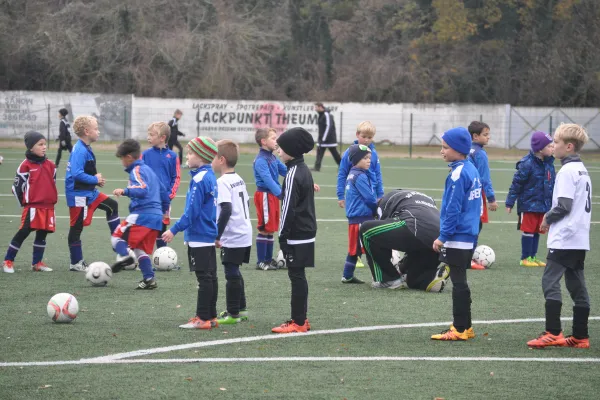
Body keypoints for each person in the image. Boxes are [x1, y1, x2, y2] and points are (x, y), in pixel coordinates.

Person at [527, 124, 591, 349]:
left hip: (565, 236)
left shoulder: (566, 171)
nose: (553, 146)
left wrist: (546, 219)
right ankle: (581, 336)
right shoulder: (582, 169)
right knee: (576, 285)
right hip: (579, 237)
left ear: (569, 146)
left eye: (556, 142)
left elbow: (564, 205)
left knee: (549, 281)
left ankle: (553, 332)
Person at [161, 137, 219, 330]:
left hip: (199, 235)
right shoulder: (210, 176)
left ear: (202, 156)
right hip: (208, 234)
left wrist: (173, 230)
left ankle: (202, 318)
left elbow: (191, 212)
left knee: (204, 278)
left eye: (191, 153)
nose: (187, 156)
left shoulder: (200, 179)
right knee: (210, 276)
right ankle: (210, 316)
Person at [431, 127, 481, 341]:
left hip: (458, 236)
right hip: (468, 234)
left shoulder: (459, 173)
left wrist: (443, 236)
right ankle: (465, 326)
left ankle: (460, 328)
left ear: (459, 149)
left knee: (458, 281)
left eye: (445, 147)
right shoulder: (470, 168)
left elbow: (453, 209)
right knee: (461, 279)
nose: (442, 151)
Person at [272, 127, 317, 334]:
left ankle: (298, 322)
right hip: (306, 230)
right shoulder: (303, 169)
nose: (278, 150)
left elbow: (287, 207)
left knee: (296, 275)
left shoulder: (292, 174)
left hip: (297, 233)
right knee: (298, 275)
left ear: (292, 149)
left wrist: (282, 236)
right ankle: (301, 318)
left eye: (281, 147)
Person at [360, 189, 450, 292]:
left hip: (416, 227)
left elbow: (381, 236)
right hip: (438, 240)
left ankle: (388, 279)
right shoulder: (424, 198)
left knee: (366, 231)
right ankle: (432, 277)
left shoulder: (385, 202)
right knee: (413, 279)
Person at [110, 139, 170, 289]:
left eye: (122, 158)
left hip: (142, 214)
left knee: (116, 237)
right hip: (155, 217)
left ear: (129, 157)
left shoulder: (136, 170)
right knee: (139, 249)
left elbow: (142, 190)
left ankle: (125, 257)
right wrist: (162, 212)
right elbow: (164, 194)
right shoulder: (150, 171)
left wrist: (125, 191)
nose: (122, 162)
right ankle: (149, 278)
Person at [65, 116, 120, 272]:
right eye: (96, 128)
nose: (99, 131)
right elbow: (76, 173)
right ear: (87, 131)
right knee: (76, 227)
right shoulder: (80, 150)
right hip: (78, 194)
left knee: (112, 206)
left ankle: (118, 245)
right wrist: (94, 179)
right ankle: (76, 262)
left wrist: (95, 181)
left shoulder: (85, 147)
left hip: (89, 191)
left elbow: (84, 172)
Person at [3, 131, 57, 273]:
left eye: (45, 144)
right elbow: (16, 188)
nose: (44, 147)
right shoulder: (25, 166)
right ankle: (8, 260)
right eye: (40, 144)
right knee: (23, 232)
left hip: (48, 206)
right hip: (33, 207)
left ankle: (37, 263)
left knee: (43, 234)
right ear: (31, 147)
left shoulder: (51, 165)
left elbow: (53, 183)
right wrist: (25, 203)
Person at [212, 140, 252, 325]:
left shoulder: (222, 182)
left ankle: (233, 313)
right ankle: (241, 308)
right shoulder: (238, 178)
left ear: (221, 160)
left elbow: (226, 209)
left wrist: (217, 235)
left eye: (212, 157)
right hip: (244, 231)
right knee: (235, 269)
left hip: (234, 234)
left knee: (230, 271)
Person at [337, 121, 384, 268]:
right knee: (358, 223)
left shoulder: (373, 154)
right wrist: (340, 194)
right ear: (357, 135)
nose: (367, 139)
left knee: (368, 224)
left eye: (370, 137)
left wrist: (380, 193)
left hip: (371, 194)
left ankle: (359, 253)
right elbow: (342, 173)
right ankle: (357, 254)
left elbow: (377, 174)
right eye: (364, 136)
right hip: (357, 196)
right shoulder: (351, 153)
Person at [505, 131, 555, 267]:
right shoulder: (527, 163)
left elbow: (552, 184)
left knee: (538, 230)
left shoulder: (550, 163)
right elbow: (516, 184)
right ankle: (525, 258)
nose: (553, 148)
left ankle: (533, 257)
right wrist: (510, 201)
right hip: (528, 205)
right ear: (540, 149)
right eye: (550, 146)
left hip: (543, 205)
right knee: (528, 231)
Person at [341, 144, 377, 284]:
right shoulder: (360, 176)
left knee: (354, 249)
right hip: (362, 219)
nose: (369, 161)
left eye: (370, 158)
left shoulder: (352, 174)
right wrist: (376, 210)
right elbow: (369, 198)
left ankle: (347, 275)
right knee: (370, 248)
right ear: (356, 160)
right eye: (365, 158)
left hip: (354, 219)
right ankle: (379, 277)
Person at [142, 122, 181, 250]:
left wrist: (170, 194)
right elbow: (138, 174)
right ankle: (140, 256)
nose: (148, 137)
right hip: (148, 199)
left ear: (162, 138)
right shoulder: (145, 155)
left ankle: (161, 255)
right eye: (148, 134)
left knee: (161, 227)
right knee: (145, 227)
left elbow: (176, 177)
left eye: (151, 135)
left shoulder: (172, 156)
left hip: (164, 200)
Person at [253, 127, 287, 270]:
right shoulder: (261, 160)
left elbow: (286, 170)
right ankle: (261, 261)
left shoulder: (272, 157)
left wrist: (305, 180)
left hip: (272, 196)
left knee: (271, 228)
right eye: (273, 138)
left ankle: (268, 259)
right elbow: (268, 180)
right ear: (263, 141)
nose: (276, 141)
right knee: (264, 228)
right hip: (265, 195)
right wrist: (281, 193)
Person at [467, 121, 497, 269]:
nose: (488, 137)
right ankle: (469, 258)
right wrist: (491, 199)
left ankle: (463, 255)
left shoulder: (465, 150)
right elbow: (484, 178)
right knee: (475, 225)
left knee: (466, 223)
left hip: (463, 193)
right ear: (475, 136)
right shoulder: (480, 154)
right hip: (475, 194)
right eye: (485, 135)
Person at [313, 102, 341, 171]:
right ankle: (317, 167)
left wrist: (323, 138)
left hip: (329, 139)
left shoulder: (326, 114)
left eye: (316, 107)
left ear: (320, 107)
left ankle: (342, 166)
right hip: (322, 139)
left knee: (335, 154)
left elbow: (328, 126)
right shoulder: (320, 115)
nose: (315, 109)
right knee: (319, 152)